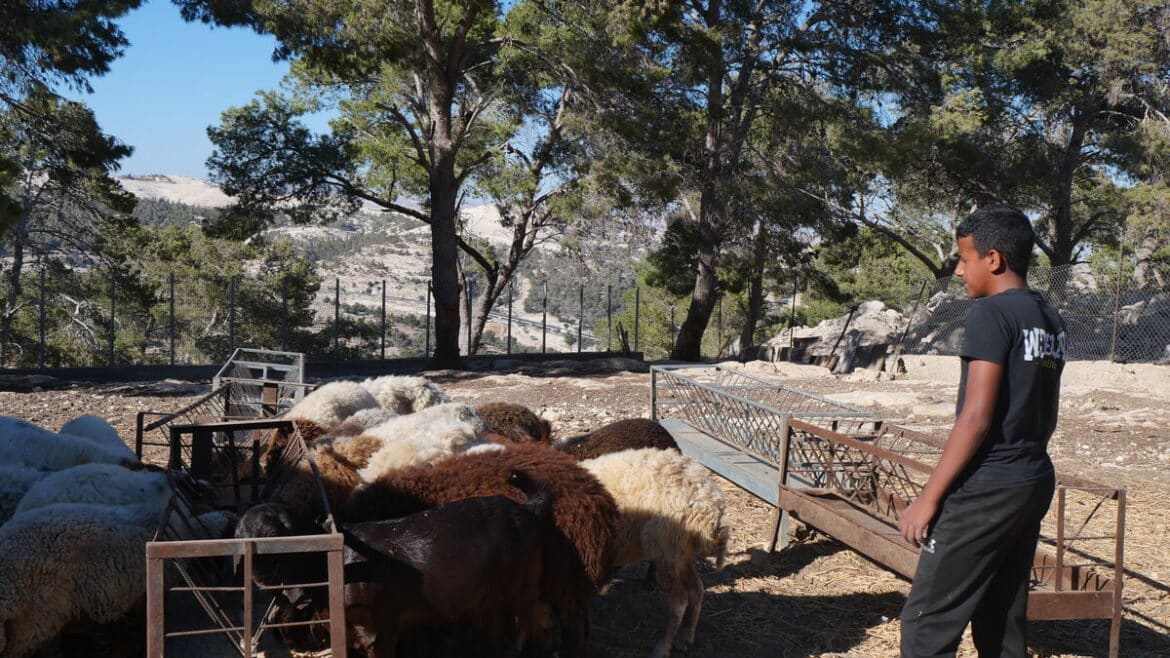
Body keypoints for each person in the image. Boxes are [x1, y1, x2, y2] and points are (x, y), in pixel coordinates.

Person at [898, 206, 1066, 658]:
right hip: (1031, 477)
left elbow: (975, 418)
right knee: (1001, 616)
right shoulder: (1047, 316)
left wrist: (928, 499)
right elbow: (1041, 407)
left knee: (926, 623)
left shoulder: (991, 314)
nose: (958, 270)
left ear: (992, 260)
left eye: (964, 259)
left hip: (987, 486)